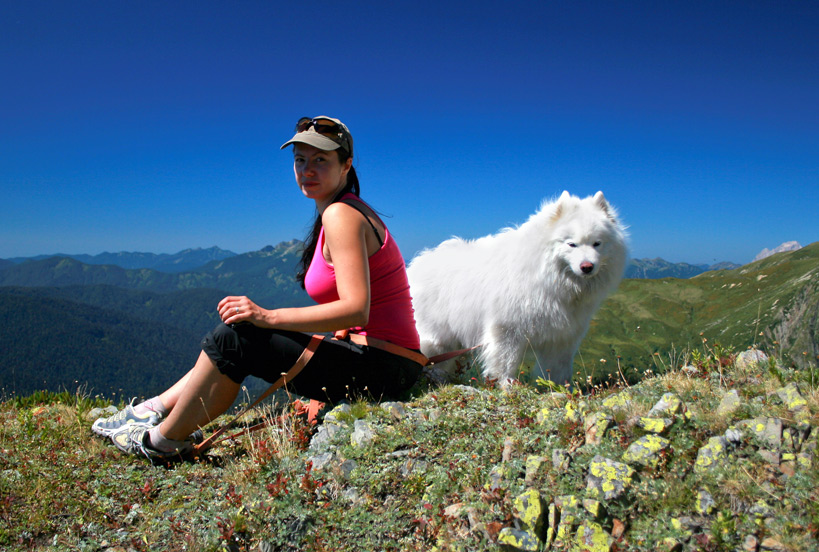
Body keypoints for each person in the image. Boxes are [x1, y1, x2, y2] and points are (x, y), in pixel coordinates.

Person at [92, 116, 423, 459]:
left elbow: (357, 307)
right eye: (300, 160)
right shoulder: (343, 211)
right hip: (383, 359)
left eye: (321, 160)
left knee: (237, 338)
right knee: (238, 332)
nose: (307, 169)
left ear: (346, 165)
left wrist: (268, 316)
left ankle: (159, 441)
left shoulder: (341, 215)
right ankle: (152, 409)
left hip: (384, 367)